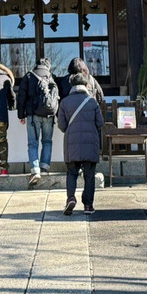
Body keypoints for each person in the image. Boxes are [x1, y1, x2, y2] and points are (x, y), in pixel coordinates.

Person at [56, 72, 104, 216]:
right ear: (86, 85)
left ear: (72, 85)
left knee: (72, 172)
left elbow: (62, 125)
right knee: (89, 175)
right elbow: (100, 123)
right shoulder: (92, 102)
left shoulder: (64, 102)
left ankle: (71, 198)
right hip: (90, 144)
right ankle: (88, 205)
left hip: (72, 144)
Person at [16, 57, 59, 186]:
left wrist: (20, 115)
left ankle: (35, 171)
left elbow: (21, 96)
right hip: (49, 115)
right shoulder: (51, 76)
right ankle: (44, 167)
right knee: (47, 141)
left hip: (33, 115)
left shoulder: (29, 76)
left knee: (32, 143)